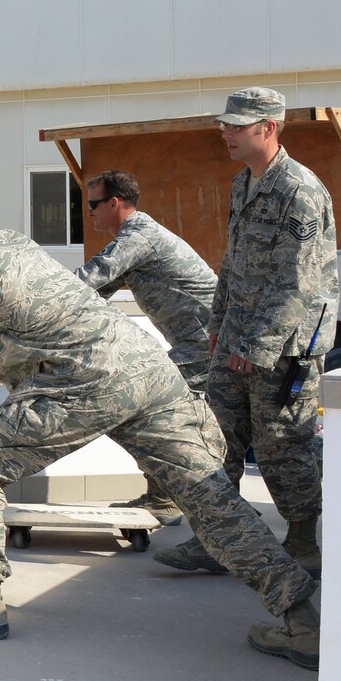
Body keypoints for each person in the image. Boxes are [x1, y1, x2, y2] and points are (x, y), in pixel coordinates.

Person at [0, 198, 321, 669]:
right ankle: (302, 618)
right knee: (211, 497)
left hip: (86, 384)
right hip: (146, 372)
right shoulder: (8, 244)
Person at [152, 88, 338, 578]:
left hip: (285, 349)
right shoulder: (243, 184)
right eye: (226, 124)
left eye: (238, 125)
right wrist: (219, 326)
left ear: (269, 128)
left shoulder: (299, 190)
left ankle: (302, 544)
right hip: (236, 338)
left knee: (282, 445)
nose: (227, 133)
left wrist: (256, 347)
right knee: (218, 437)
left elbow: (295, 280)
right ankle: (218, 538)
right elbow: (232, 264)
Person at [75, 168, 218, 526]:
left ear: (115, 203)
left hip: (206, 344)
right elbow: (91, 295)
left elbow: (84, 282)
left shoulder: (137, 238)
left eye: (93, 204)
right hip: (198, 343)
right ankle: (165, 496)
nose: (89, 212)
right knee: (155, 412)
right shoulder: (133, 239)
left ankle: (170, 500)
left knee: (148, 408)